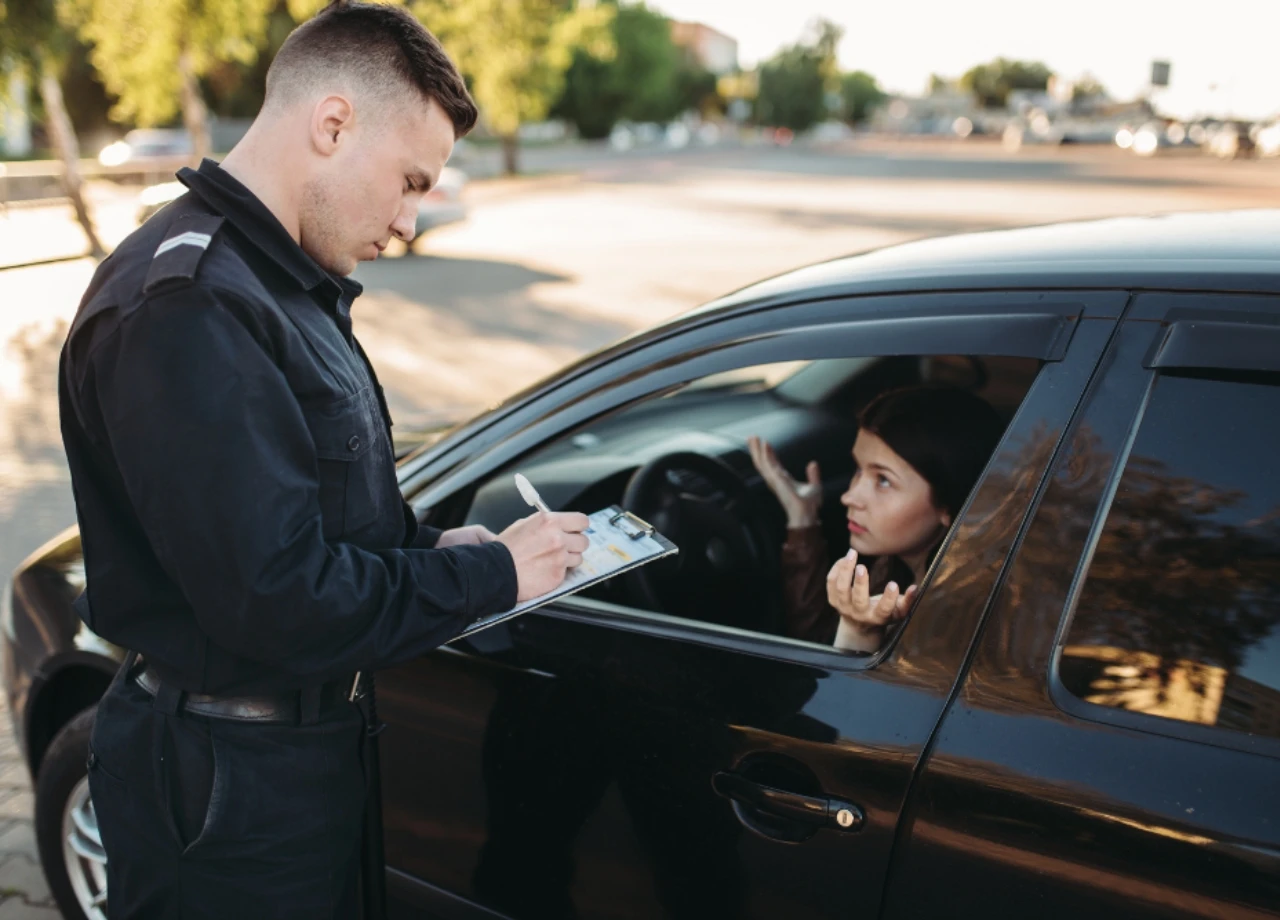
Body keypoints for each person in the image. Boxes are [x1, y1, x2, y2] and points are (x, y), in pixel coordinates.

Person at [57, 3, 590, 917]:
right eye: (410, 182)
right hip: (223, 790)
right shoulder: (190, 306)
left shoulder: (280, 281)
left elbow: (314, 510)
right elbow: (277, 599)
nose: (411, 222)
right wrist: (492, 578)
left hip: (288, 761)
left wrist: (431, 548)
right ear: (333, 124)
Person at [747, 385, 1004, 653]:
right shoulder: (894, 566)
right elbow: (820, 643)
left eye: (883, 480)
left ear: (949, 506)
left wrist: (859, 634)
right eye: (859, 469)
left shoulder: (954, 625)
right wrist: (802, 517)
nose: (849, 496)